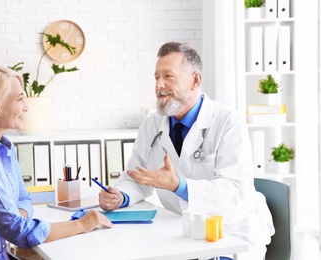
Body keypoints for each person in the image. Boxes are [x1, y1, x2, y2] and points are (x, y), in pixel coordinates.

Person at [98, 42, 274, 259]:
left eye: (168, 76)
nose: (159, 85)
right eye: (156, 77)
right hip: (180, 233)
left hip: (230, 232)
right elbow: (136, 176)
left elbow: (234, 191)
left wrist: (177, 186)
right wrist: (121, 196)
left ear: (195, 80)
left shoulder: (228, 121)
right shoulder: (152, 125)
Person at [0, 65, 113, 259]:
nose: (26, 107)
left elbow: (24, 200)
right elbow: (15, 229)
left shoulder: (4, 148)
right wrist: (82, 224)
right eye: (19, 99)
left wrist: (11, 220)